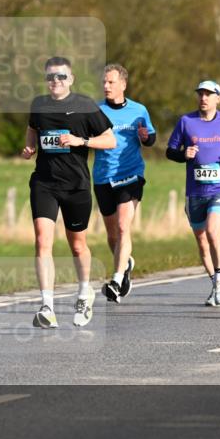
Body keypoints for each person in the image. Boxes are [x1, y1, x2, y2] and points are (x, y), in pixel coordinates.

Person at [22, 57, 116, 328]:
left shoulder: (85, 106)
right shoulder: (38, 105)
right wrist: (30, 148)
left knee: (77, 245)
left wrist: (81, 141)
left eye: (61, 76)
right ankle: (47, 306)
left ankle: (85, 292)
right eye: (51, 76)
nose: (56, 81)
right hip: (44, 183)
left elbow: (110, 140)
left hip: (76, 185)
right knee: (42, 241)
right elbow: (32, 129)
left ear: (71, 79)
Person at [167, 80, 220, 306]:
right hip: (195, 191)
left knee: (213, 231)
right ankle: (217, 284)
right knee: (202, 241)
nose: (203, 98)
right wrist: (184, 154)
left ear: (218, 98)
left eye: (208, 94)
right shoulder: (186, 121)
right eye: (200, 94)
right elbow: (170, 151)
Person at [92, 64, 156, 303]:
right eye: (104, 82)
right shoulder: (95, 110)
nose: (106, 86)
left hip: (130, 174)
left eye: (111, 82)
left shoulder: (139, 110)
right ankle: (125, 263)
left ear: (123, 84)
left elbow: (150, 137)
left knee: (122, 227)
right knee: (112, 235)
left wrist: (146, 137)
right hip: (103, 176)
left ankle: (116, 280)